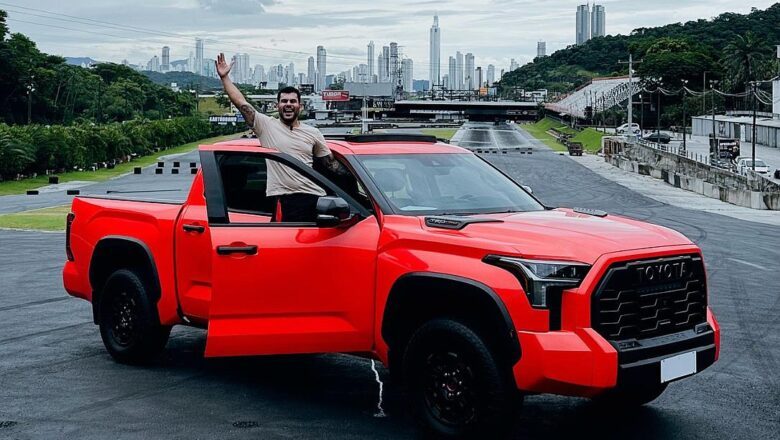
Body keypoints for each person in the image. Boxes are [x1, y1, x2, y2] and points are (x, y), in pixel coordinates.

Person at [215, 52, 343, 222]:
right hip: (286, 199)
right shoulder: (266, 126)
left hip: (316, 198)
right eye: (284, 101)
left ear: (300, 106)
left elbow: (331, 165)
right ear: (278, 105)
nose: (288, 105)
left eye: (292, 101)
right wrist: (225, 78)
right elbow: (242, 103)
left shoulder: (313, 133)